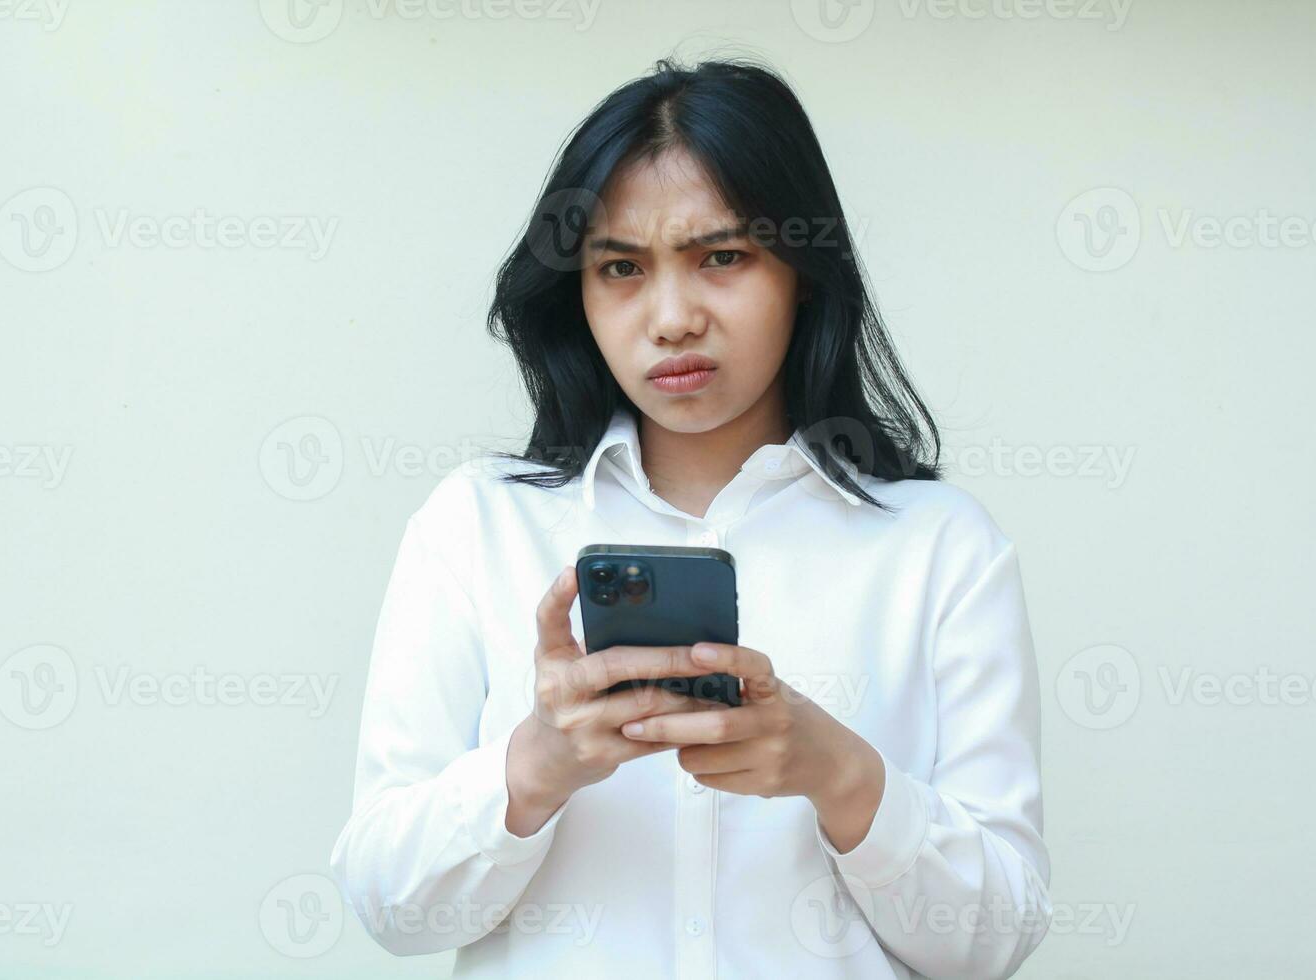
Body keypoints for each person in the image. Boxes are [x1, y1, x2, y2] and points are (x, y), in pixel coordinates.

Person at [330, 55, 1051, 979]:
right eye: (621, 267)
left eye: (722, 257)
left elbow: (994, 942)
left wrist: (841, 776)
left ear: (803, 272)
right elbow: (391, 909)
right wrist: (533, 767)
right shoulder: (475, 528)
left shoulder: (941, 548)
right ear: (577, 295)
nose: (672, 318)